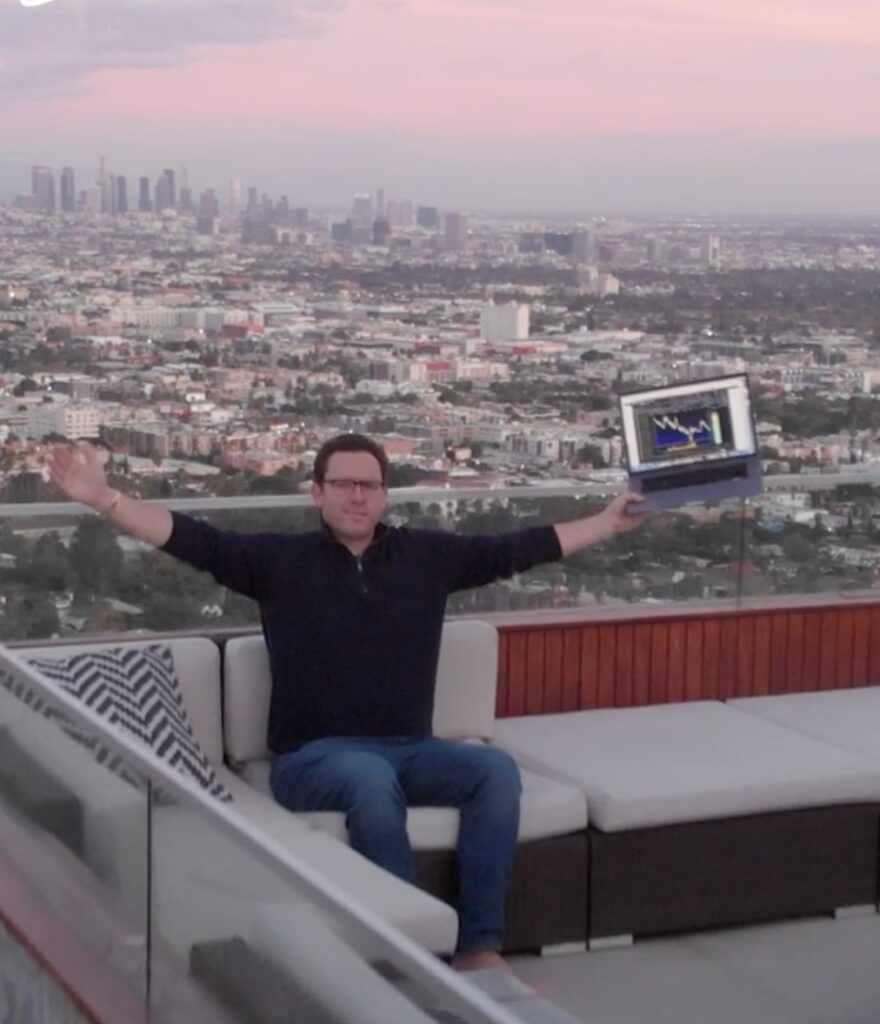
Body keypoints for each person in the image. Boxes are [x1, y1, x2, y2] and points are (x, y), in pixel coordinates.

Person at [49, 433, 646, 971]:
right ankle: (410, 951)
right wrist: (105, 500)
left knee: (493, 771)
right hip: (313, 760)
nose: (357, 497)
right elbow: (195, 541)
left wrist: (606, 522)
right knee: (364, 779)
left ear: (385, 494)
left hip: (411, 750)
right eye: (343, 485)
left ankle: (478, 947)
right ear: (317, 492)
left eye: (369, 485)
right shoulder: (278, 563)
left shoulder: (427, 557)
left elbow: (518, 548)